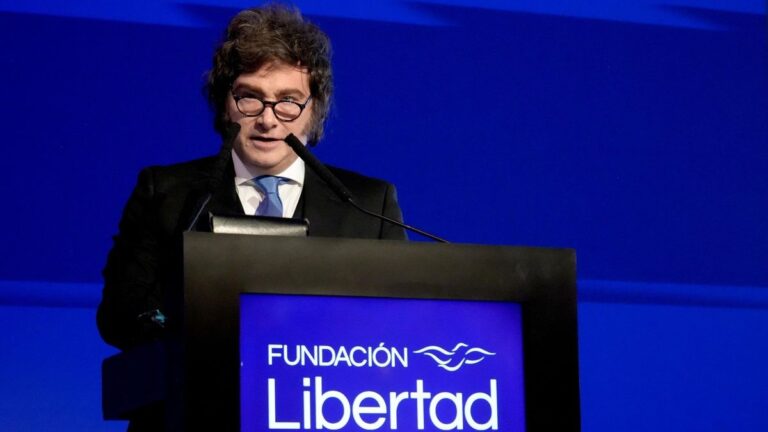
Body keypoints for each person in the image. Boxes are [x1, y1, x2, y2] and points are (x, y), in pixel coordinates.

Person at [96, 6, 406, 427]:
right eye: (250, 97)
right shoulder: (167, 194)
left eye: (288, 102)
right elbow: (118, 316)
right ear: (225, 104)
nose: (267, 119)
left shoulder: (368, 204)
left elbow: (395, 330)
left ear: (314, 110)